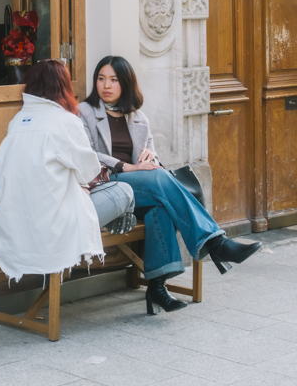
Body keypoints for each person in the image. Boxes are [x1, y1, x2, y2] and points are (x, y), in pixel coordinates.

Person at [80, 56, 261, 314]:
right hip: (108, 187)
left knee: (160, 207)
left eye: (113, 80)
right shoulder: (84, 112)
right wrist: (128, 167)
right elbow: (87, 154)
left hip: (140, 190)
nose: (106, 85)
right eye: (101, 78)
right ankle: (215, 243)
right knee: (160, 181)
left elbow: (152, 161)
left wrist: (150, 158)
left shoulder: (138, 117)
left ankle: (157, 286)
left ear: (126, 84)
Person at [0, 59, 111, 281]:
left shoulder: (17, 121)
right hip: (53, 227)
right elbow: (90, 173)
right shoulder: (66, 121)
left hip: (13, 224)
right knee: (124, 192)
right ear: (64, 87)